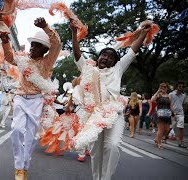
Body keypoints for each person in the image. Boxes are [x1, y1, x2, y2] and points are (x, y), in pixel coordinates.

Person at [71, 19, 153, 180]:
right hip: (93, 117)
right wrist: (74, 33)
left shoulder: (118, 69)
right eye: (103, 55)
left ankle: (106, 178)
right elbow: (77, 54)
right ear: (98, 57)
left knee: (113, 145)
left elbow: (132, 52)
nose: (105, 58)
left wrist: (143, 33)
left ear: (115, 62)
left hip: (114, 114)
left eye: (110, 57)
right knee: (96, 151)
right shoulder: (88, 69)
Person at [0, 17, 61, 179]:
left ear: (44, 50)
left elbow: (57, 44)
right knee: (16, 130)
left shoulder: (47, 62)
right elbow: (8, 57)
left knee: (30, 136)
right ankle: (19, 166)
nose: (32, 48)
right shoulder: (22, 59)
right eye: (32, 44)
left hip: (36, 100)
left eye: (36, 45)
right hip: (20, 97)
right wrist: (5, 41)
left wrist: (46, 27)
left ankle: (24, 167)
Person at [151, 83, 174, 149]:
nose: (163, 88)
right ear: (160, 87)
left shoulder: (168, 96)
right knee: (161, 129)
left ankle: (156, 139)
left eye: (165, 87)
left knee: (167, 129)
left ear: (167, 88)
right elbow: (152, 100)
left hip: (167, 114)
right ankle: (159, 143)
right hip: (159, 114)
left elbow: (171, 105)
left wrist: (174, 113)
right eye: (162, 87)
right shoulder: (158, 95)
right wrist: (158, 91)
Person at [169, 80, 187, 148]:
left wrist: (183, 112)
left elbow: (183, 105)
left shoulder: (184, 95)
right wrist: (173, 112)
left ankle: (180, 142)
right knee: (169, 128)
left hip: (180, 114)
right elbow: (170, 104)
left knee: (181, 128)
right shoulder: (171, 94)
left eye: (182, 86)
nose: (181, 87)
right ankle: (164, 138)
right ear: (177, 86)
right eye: (179, 86)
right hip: (172, 114)